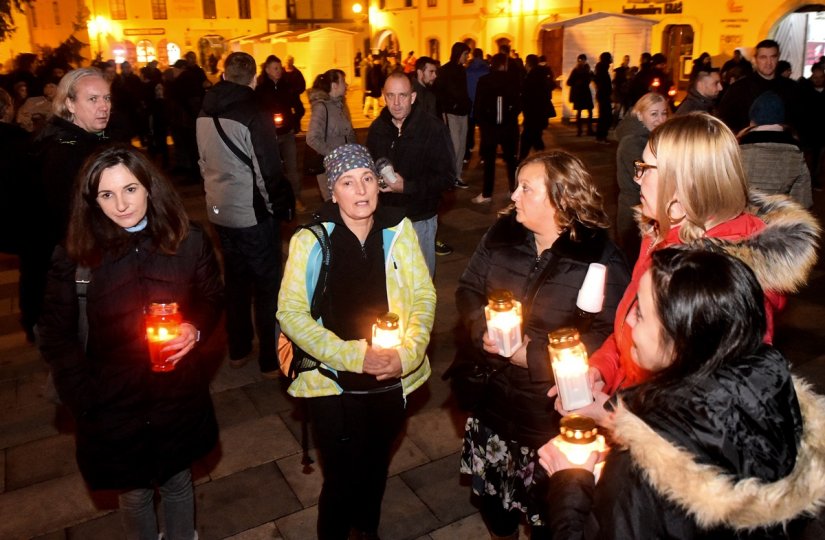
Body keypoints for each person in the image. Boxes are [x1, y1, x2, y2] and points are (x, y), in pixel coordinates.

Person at [538, 248, 825, 539]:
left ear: (678, 341)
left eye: (640, 314)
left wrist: (569, 486)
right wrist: (613, 412)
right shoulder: (773, 396)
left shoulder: (643, 469)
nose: (630, 323)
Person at [38, 144, 223, 540]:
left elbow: (211, 298)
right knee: (135, 493)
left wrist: (195, 329)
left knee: (177, 483)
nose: (121, 204)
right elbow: (55, 334)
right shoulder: (76, 256)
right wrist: (85, 400)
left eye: (130, 189)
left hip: (177, 392)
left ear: (149, 188)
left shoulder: (187, 240)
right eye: (107, 194)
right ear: (92, 201)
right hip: (110, 401)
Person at [574, 113, 820, 402]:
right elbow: (633, 328)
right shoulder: (661, 234)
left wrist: (621, 419)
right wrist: (603, 370)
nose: (636, 178)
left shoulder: (725, 281)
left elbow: (714, 412)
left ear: (685, 182)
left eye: (646, 168)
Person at [456, 150, 630, 540]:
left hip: (548, 416)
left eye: (525, 188)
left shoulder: (599, 258)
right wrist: (479, 326)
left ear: (560, 199)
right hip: (493, 406)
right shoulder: (501, 235)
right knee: (496, 509)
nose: (513, 196)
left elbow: (610, 335)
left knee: (548, 517)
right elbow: (468, 288)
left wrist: (531, 356)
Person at [277, 143, 435, 540]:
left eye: (367, 179)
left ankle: (367, 531)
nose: (361, 190)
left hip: (390, 378)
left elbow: (423, 297)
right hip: (333, 381)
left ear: (380, 186)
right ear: (333, 191)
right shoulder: (310, 240)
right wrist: (354, 357)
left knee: (376, 467)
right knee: (342, 476)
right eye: (348, 182)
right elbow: (291, 313)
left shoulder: (400, 230)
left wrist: (407, 354)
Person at [196, 51, 294, 377]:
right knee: (267, 285)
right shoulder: (254, 112)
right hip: (252, 213)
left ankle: (238, 349)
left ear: (224, 76)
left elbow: (203, 161)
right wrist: (279, 208)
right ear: (253, 78)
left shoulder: (204, 110)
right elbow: (267, 170)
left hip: (219, 210)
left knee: (236, 282)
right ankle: (269, 359)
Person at [20, 67, 113, 341]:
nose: (104, 106)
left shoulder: (79, 140)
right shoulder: (66, 151)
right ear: (69, 103)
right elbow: (73, 220)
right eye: (93, 99)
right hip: (75, 267)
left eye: (106, 98)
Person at [366, 72, 456, 278]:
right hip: (386, 220)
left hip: (419, 219)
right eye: (391, 96)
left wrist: (406, 187)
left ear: (413, 97)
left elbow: (447, 178)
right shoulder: (377, 129)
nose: (396, 103)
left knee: (420, 284)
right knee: (391, 283)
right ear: (383, 96)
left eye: (403, 96)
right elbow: (369, 166)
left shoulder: (433, 129)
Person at [613, 92, 668, 265]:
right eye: (654, 114)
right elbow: (645, 177)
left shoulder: (653, 138)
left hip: (646, 210)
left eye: (664, 113)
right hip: (634, 214)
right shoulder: (633, 142)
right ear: (639, 115)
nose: (661, 119)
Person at [738, 92, 812, 208]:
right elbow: (802, 199)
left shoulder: (737, 150)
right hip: (778, 220)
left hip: (742, 220)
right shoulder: (796, 154)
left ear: (752, 121)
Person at [255, 55, 306, 213]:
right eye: (275, 68)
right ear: (268, 70)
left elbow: (299, 107)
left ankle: (295, 198)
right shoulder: (261, 89)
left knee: (292, 168)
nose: (279, 71)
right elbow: (256, 110)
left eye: (280, 68)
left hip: (287, 133)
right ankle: (273, 201)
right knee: (272, 169)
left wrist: (293, 121)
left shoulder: (287, 86)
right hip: (270, 136)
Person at [718, 39, 801, 134]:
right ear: (755, 59)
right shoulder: (739, 88)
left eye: (773, 57)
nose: (768, 62)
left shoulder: (792, 88)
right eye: (763, 57)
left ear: (778, 58)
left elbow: (800, 121)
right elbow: (724, 120)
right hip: (747, 144)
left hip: (783, 145)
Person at [471, 53, 521, 204]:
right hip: (509, 127)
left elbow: (478, 104)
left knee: (489, 161)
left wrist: (482, 123)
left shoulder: (484, 80)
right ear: (505, 64)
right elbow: (519, 103)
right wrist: (511, 117)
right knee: (511, 160)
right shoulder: (513, 81)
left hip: (490, 128)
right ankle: (513, 189)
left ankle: (487, 193)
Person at [306, 69, 357, 201]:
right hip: (329, 168)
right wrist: (335, 154)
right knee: (334, 206)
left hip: (346, 165)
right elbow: (312, 138)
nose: (346, 85)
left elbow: (349, 134)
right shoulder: (321, 107)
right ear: (334, 86)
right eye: (343, 82)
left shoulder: (341, 105)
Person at [434, 42, 472, 189]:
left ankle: (457, 175)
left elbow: (463, 91)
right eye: (465, 54)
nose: (467, 57)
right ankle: (450, 176)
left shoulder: (462, 70)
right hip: (451, 113)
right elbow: (440, 91)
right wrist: (449, 106)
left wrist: (466, 104)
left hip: (463, 112)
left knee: (462, 146)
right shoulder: (445, 70)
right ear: (458, 53)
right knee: (454, 147)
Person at [519, 54, 555, 161]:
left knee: (528, 138)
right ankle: (537, 157)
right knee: (535, 138)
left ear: (528, 63)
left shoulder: (531, 78)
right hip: (540, 113)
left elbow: (526, 97)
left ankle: (521, 161)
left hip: (532, 114)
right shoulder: (542, 75)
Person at [465, 47, 491, 163]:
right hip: (483, 105)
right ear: (481, 55)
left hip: (470, 104)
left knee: (469, 130)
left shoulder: (467, 70)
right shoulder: (487, 70)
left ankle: (467, 152)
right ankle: (484, 155)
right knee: (484, 131)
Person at [567, 54, 594, 136]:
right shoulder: (575, 70)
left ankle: (589, 130)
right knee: (579, 112)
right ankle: (580, 131)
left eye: (583, 60)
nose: (582, 62)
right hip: (579, 93)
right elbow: (569, 82)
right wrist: (577, 82)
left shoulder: (587, 69)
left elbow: (592, 78)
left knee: (589, 111)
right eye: (580, 60)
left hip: (585, 92)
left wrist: (591, 75)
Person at [594, 52, 613, 143]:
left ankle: (600, 136)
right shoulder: (602, 70)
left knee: (604, 117)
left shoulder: (602, 69)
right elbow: (602, 84)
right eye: (610, 58)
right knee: (605, 117)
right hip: (603, 96)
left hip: (603, 96)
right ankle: (601, 136)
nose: (611, 59)